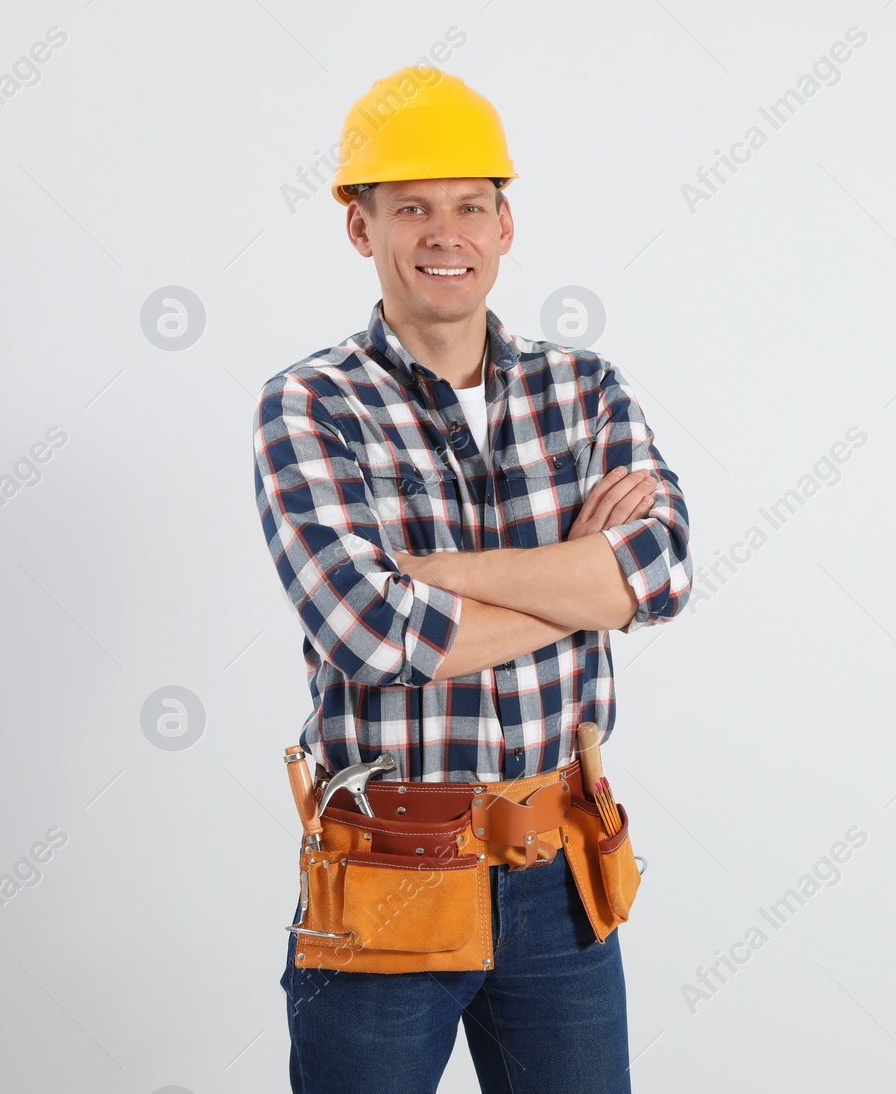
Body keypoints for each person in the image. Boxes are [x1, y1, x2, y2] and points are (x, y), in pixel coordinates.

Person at [250, 65, 693, 1094]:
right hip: (386, 873)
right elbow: (368, 633)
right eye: (410, 208)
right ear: (362, 229)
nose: (443, 232)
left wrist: (446, 578)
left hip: (559, 868)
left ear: (504, 224)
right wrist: (579, 585)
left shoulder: (584, 390)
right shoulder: (309, 405)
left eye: (469, 205)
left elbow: (659, 575)